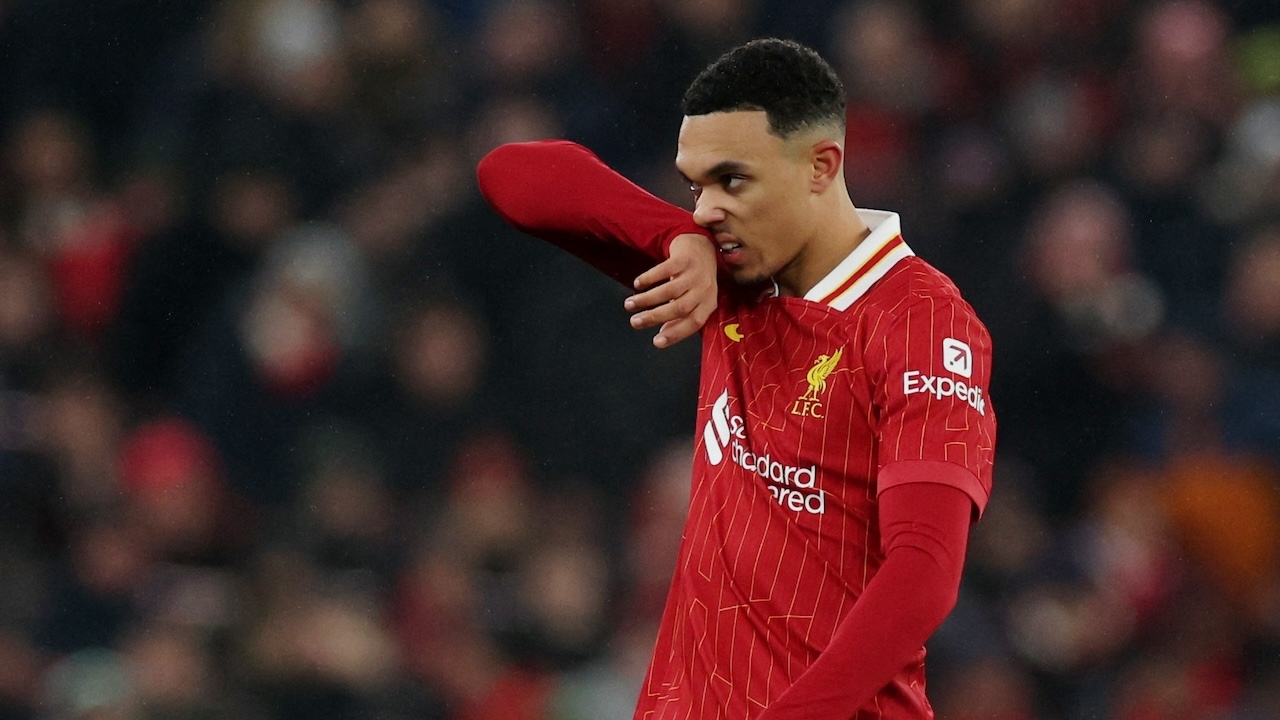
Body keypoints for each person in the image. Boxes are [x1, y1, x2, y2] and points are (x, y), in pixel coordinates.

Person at [477, 38, 996, 720]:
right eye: (696, 186)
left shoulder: (921, 322)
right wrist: (671, 235)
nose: (706, 210)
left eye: (732, 181)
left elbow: (924, 571)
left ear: (821, 166)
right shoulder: (724, 271)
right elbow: (510, 175)